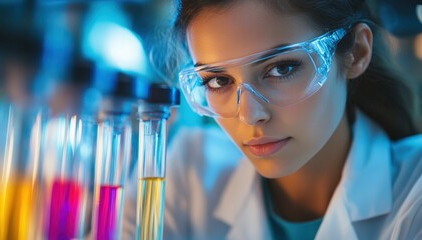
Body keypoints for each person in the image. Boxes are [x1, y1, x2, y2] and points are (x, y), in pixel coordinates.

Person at [124, 0, 422, 239]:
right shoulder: (186, 172)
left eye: (281, 69)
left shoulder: (415, 192)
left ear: (356, 52)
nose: (250, 115)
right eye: (217, 81)